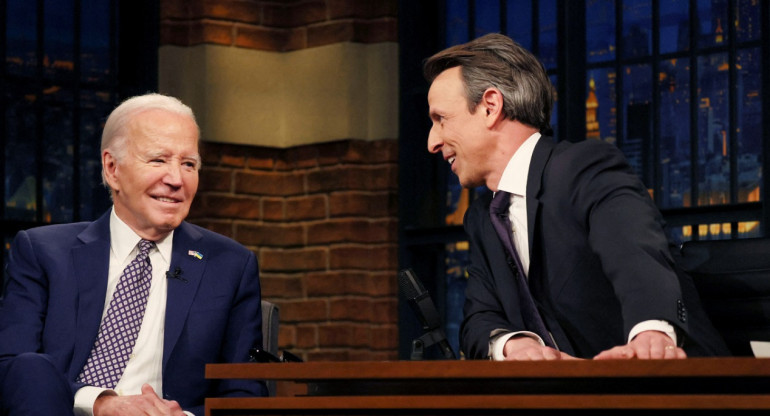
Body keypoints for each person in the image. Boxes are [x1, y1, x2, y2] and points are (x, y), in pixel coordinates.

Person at [423, 33, 729, 361]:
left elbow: (636, 256)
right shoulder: (484, 217)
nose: (432, 142)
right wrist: (516, 345)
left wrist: (650, 333)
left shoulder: (583, 168)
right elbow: (479, 319)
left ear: (490, 106)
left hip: (684, 389)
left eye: (440, 119)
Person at [0, 93, 267, 415]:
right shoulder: (42, 251)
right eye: (158, 160)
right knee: (31, 367)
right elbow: (10, 367)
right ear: (112, 168)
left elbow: (244, 391)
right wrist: (101, 403)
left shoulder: (230, 265)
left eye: (188, 164)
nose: (175, 179)